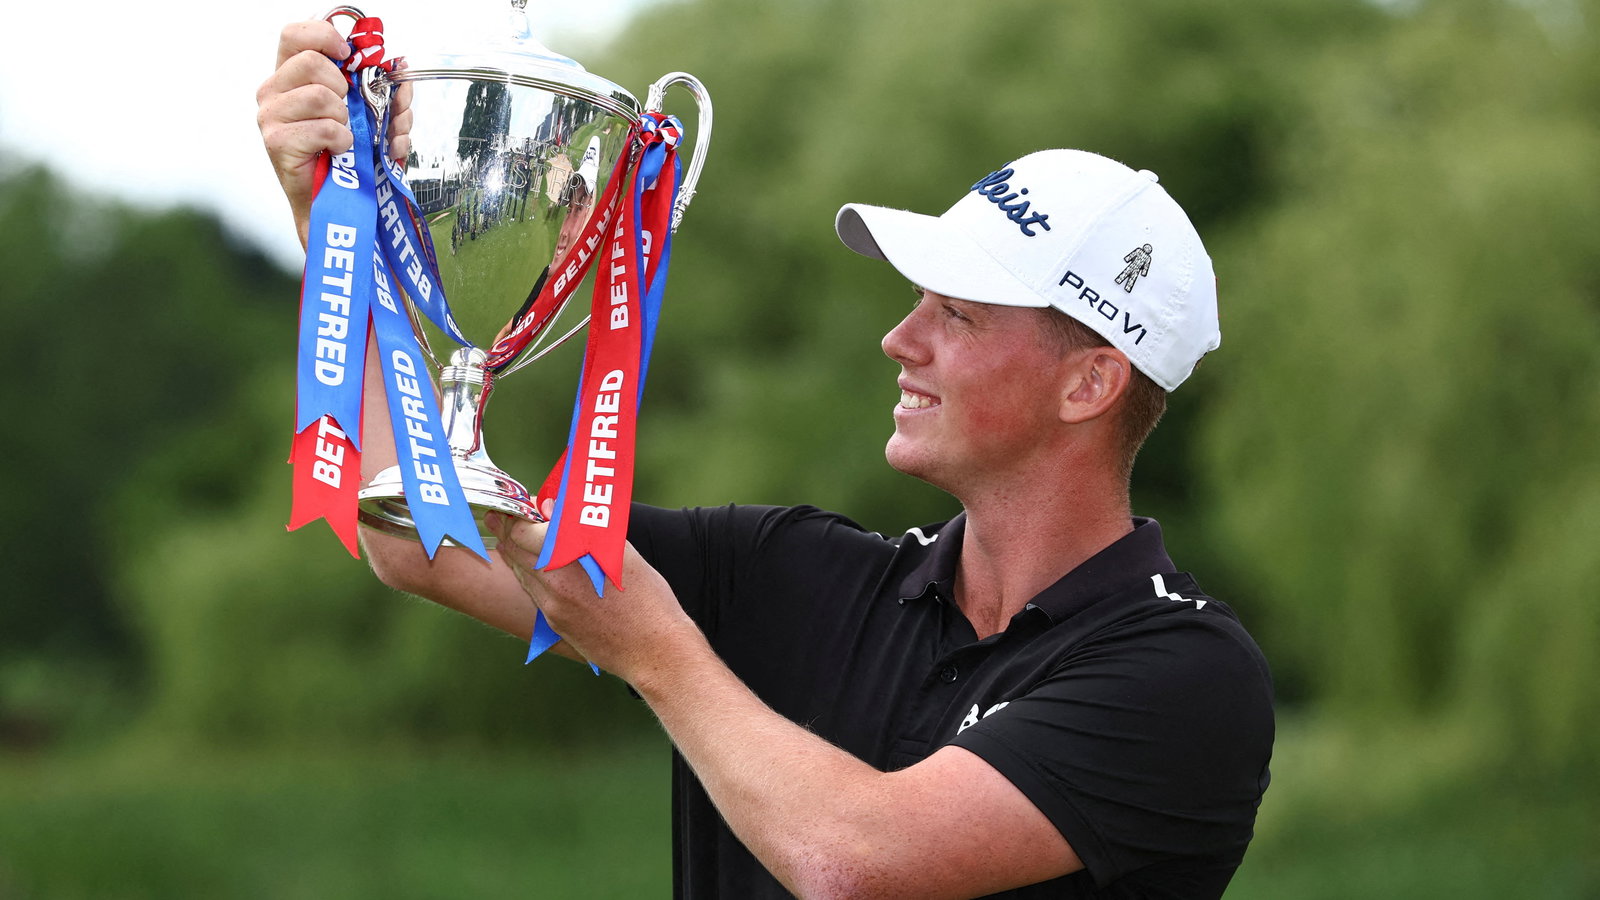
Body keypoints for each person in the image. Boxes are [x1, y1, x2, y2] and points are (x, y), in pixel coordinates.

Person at [259, 20, 1273, 899]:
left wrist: (658, 652)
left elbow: (853, 860)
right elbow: (419, 539)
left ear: (1088, 384)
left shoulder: (1183, 675)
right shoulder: (793, 573)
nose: (900, 339)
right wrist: (337, 221)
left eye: (954, 314)